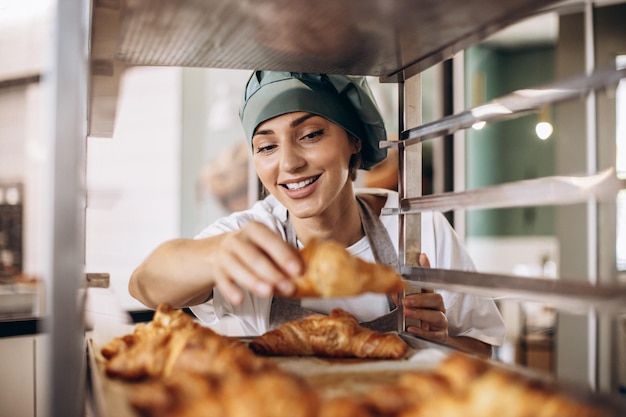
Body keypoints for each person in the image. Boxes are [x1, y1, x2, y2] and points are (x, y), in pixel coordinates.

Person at [129, 71, 505, 357]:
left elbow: (482, 347)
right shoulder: (253, 234)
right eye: (267, 146)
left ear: (354, 139)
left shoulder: (416, 227)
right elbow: (144, 285)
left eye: (310, 134)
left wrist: (436, 344)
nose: (289, 163)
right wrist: (215, 254)